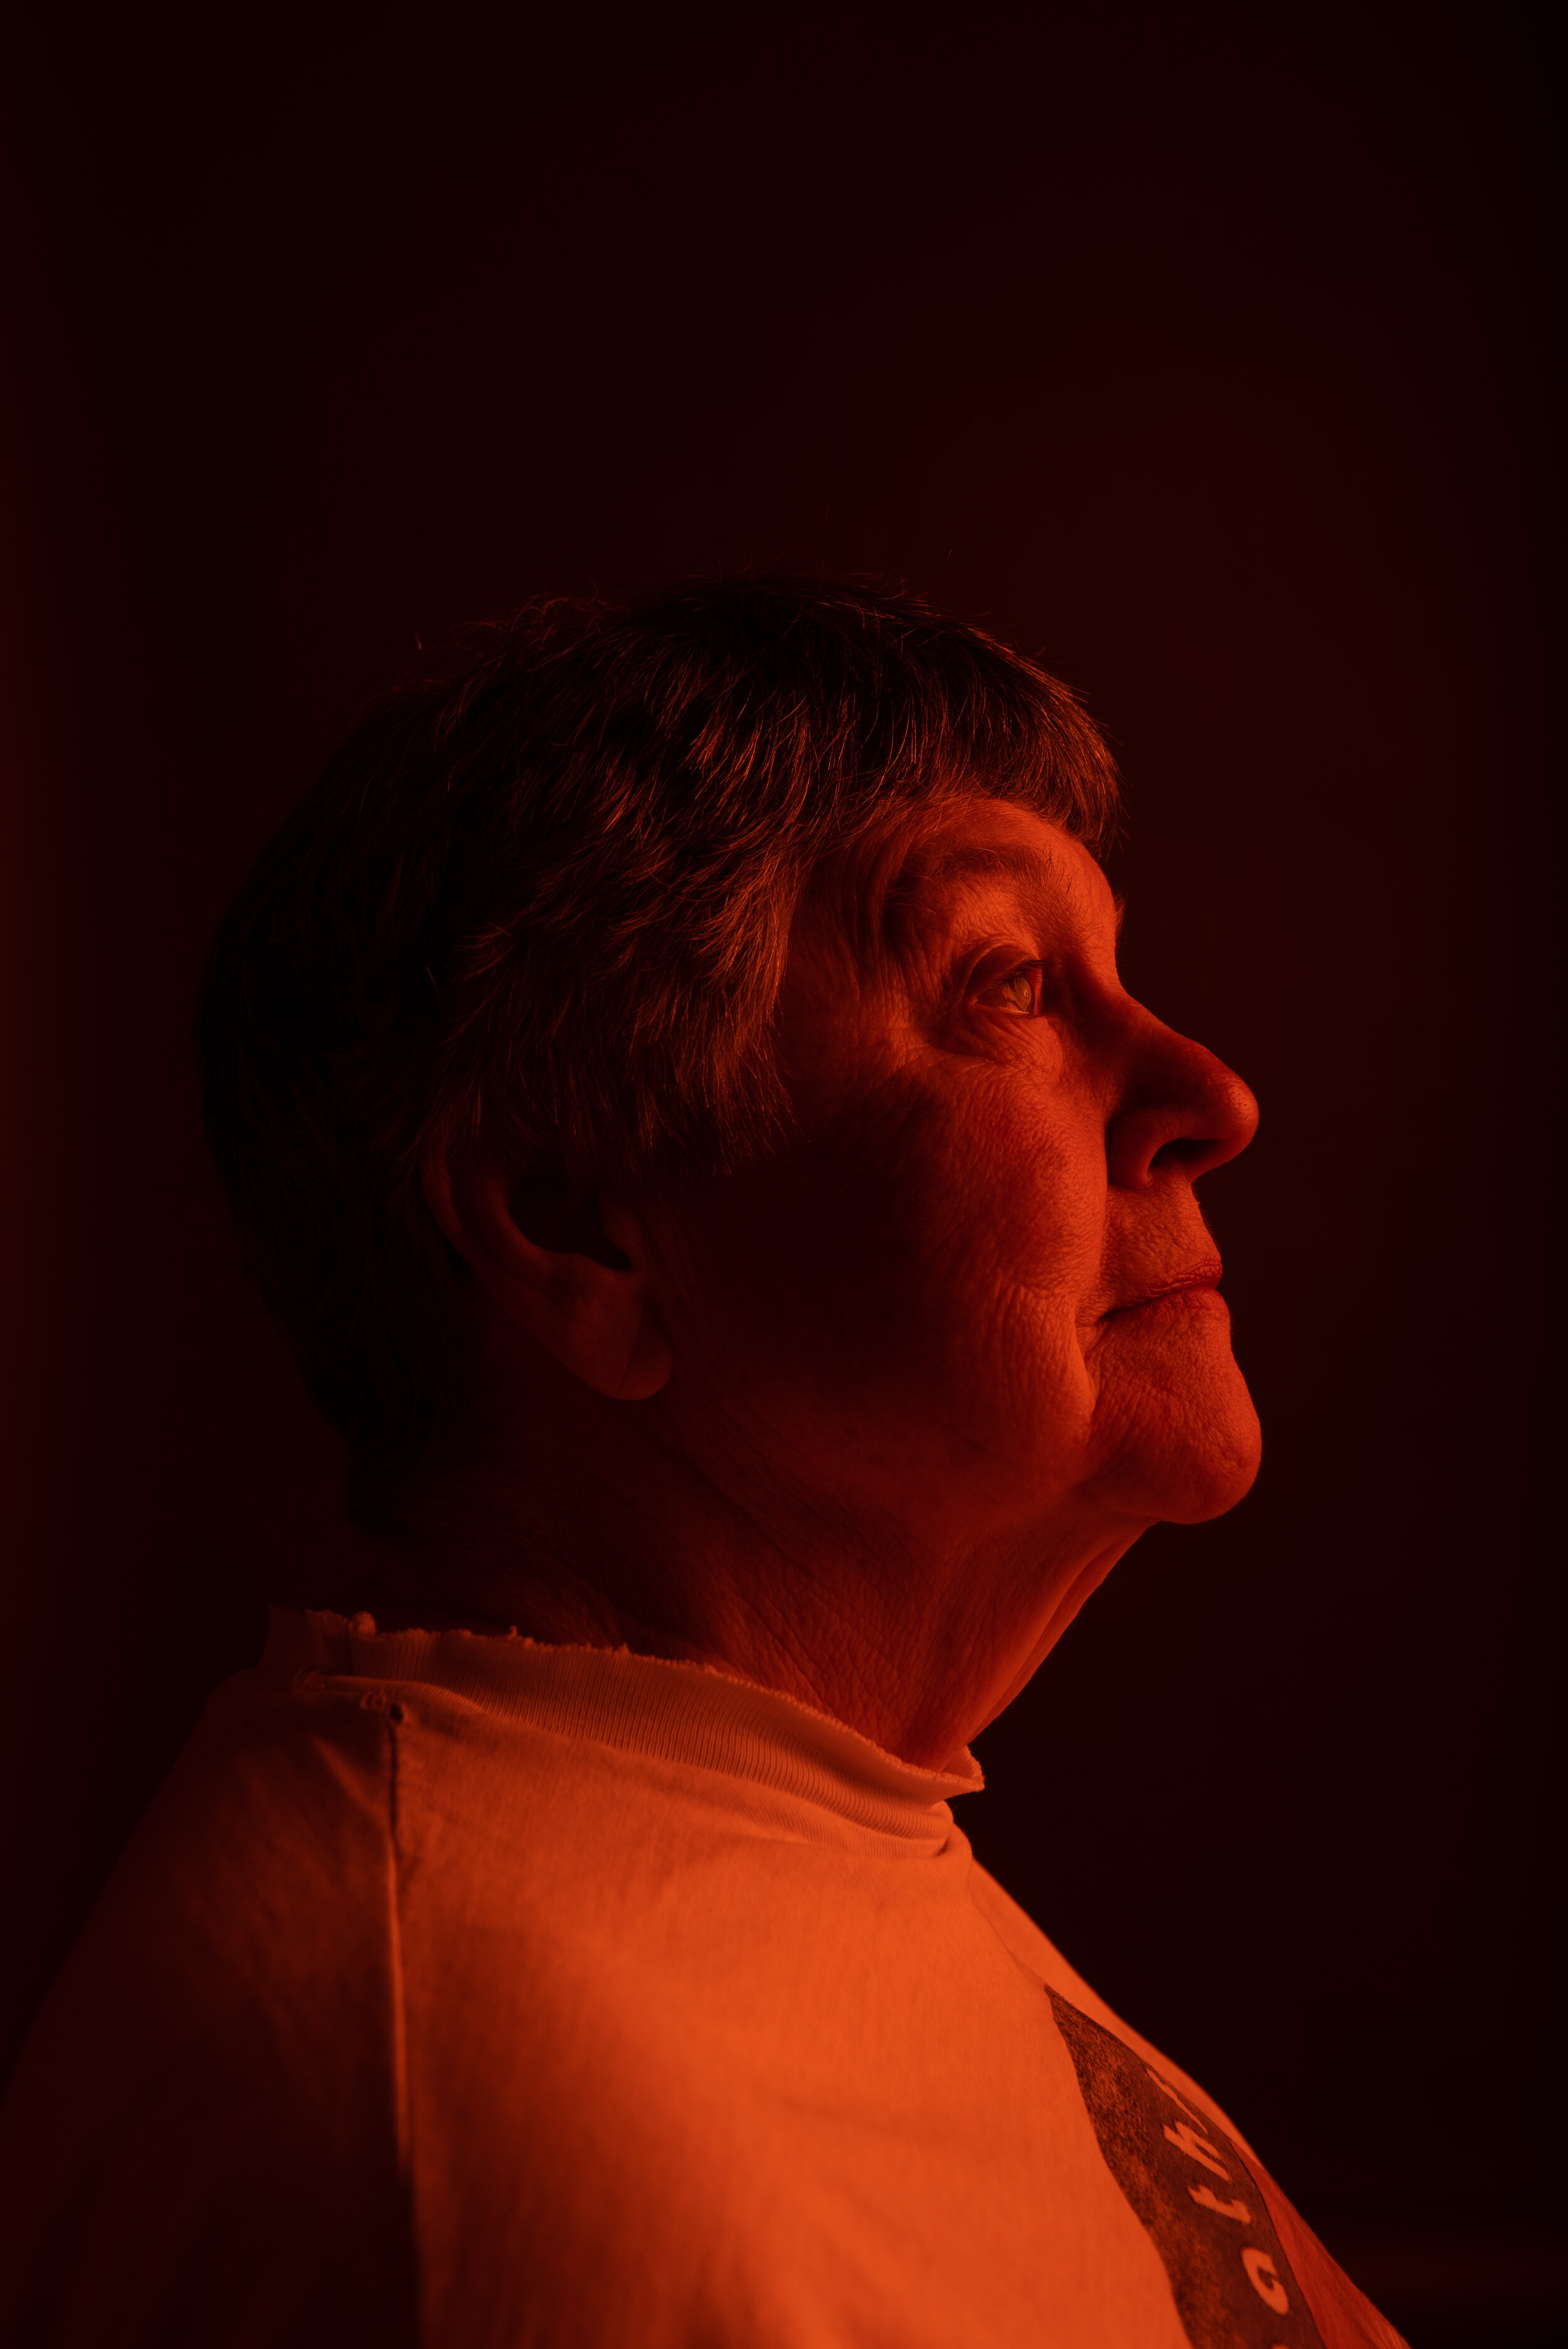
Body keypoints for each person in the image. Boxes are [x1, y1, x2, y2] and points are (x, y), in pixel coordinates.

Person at [0, 580, 1404, 2348]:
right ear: (579, 1225)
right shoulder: (493, 2138)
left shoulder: (781, 1826)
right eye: (1007, 986)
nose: (1210, 1091)